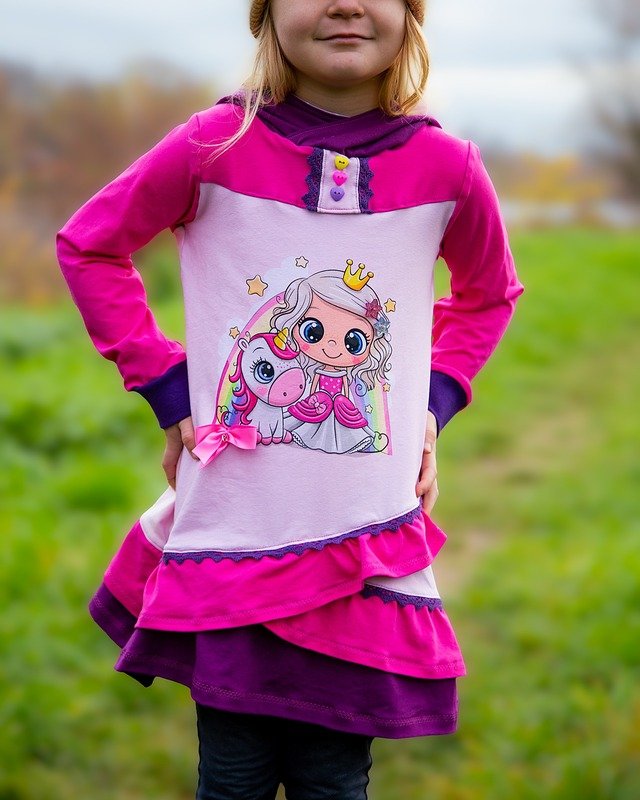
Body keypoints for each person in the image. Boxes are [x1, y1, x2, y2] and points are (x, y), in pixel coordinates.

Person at [56, 0, 524, 797]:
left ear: (410, 14)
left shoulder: (449, 168)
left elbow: (488, 294)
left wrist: (430, 408)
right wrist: (168, 387)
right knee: (232, 778)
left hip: (367, 544)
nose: (344, 4)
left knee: (334, 781)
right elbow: (89, 245)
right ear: (267, 13)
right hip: (235, 536)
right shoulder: (213, 146)